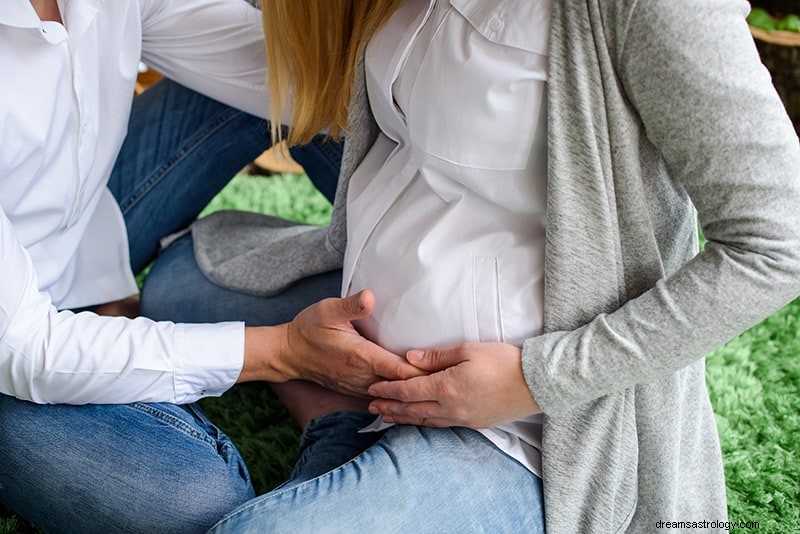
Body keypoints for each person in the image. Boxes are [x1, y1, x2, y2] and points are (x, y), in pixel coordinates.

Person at [143, 0, 800, 532]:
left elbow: (778, 246)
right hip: (372, 314)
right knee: (174, 286)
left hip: (524, 420)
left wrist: (535, 379)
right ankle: (347, 415)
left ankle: (345, 432)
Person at [0, 1, 425, 532]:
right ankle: (336, 406)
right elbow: (25, 347)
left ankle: (413, 303)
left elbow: (304, 75)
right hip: (13, 343)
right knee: (195, 500)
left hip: (77, 221)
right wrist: (281, 352)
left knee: (314, 69)